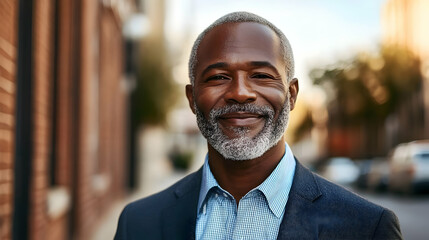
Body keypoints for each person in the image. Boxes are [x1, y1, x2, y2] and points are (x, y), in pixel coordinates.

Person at [114, 12, 402, 240]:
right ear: (192, 99)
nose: (240, 92)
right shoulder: (138, 223)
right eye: (218, 77)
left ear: (291, 95)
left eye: (262, 75)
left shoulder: (367, 228)